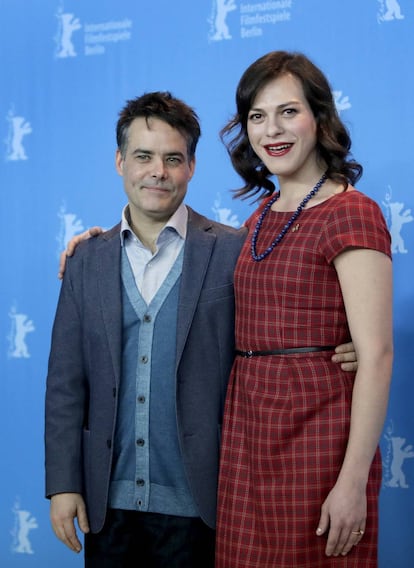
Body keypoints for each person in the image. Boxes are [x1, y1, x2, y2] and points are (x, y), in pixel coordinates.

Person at [47, 91, 358, 567]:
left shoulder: (235, 251)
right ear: (119, 162)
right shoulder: (87, 260)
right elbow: (66, 384)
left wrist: (346, 345)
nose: (158, 171)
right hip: (106, 503)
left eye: (174, 159)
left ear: (192, 166)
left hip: (206, 500)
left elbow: (282, 325)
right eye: (144, 157)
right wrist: (65, 483)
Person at [215, 51, 393, 568]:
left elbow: (376, 356)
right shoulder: (256, 219)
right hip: (248, 433)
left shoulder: (351, 211)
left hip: (318, 433)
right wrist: (101, 243)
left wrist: (353, 480)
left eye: (288, 111)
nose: (272, 129)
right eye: (257, 116)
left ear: (320, 118)